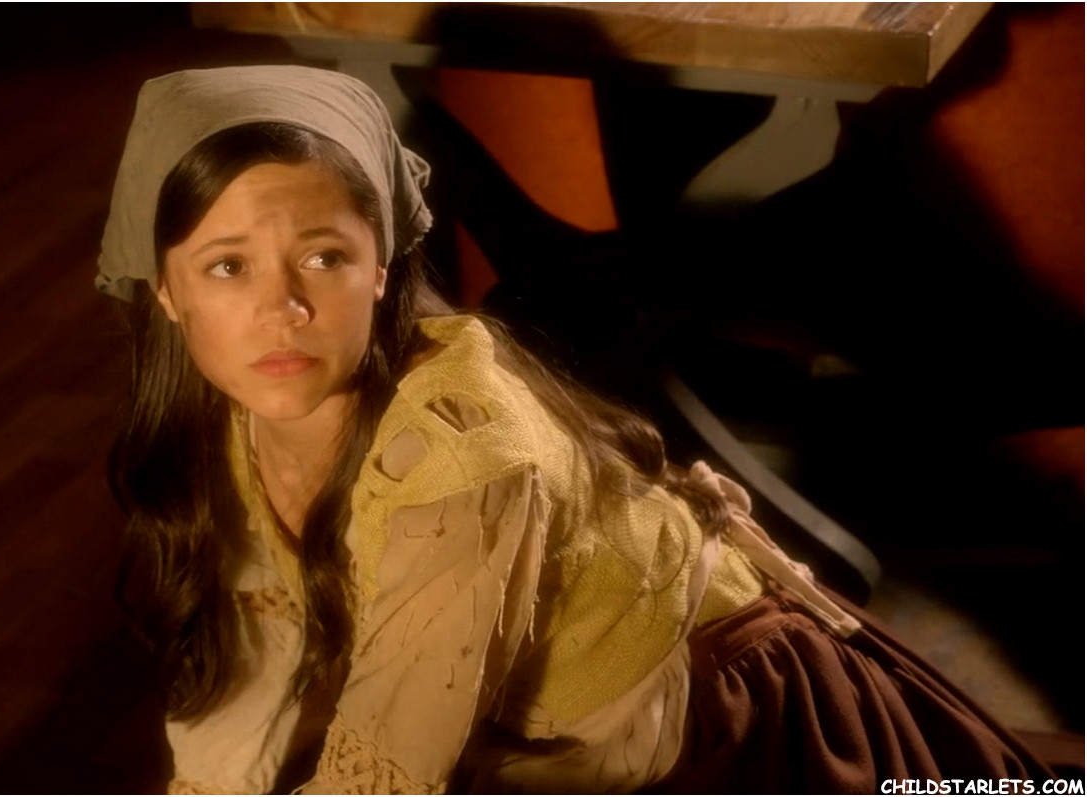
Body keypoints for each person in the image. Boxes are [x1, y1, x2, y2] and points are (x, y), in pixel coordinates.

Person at [96, 65, 1051, 794]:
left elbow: (385, 769)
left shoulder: (462, 455)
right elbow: (251, 665)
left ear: (382, 265)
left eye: (323, 256)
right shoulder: (240, 418)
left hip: (714, 718)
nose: (284, 309)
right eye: (228, 267)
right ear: (167, 291)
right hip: (517, 715)